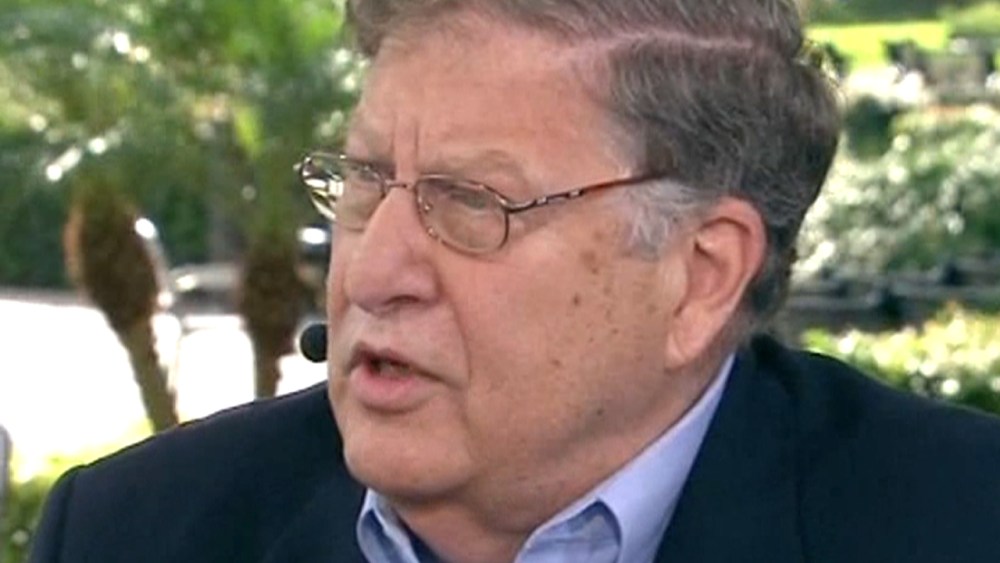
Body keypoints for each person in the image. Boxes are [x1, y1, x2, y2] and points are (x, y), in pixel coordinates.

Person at [29, 1, 1000, 562]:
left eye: (472, 202)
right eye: (364, 179)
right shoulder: (133, 531)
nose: (372, 270)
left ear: (700, 275)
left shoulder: (959, 522)